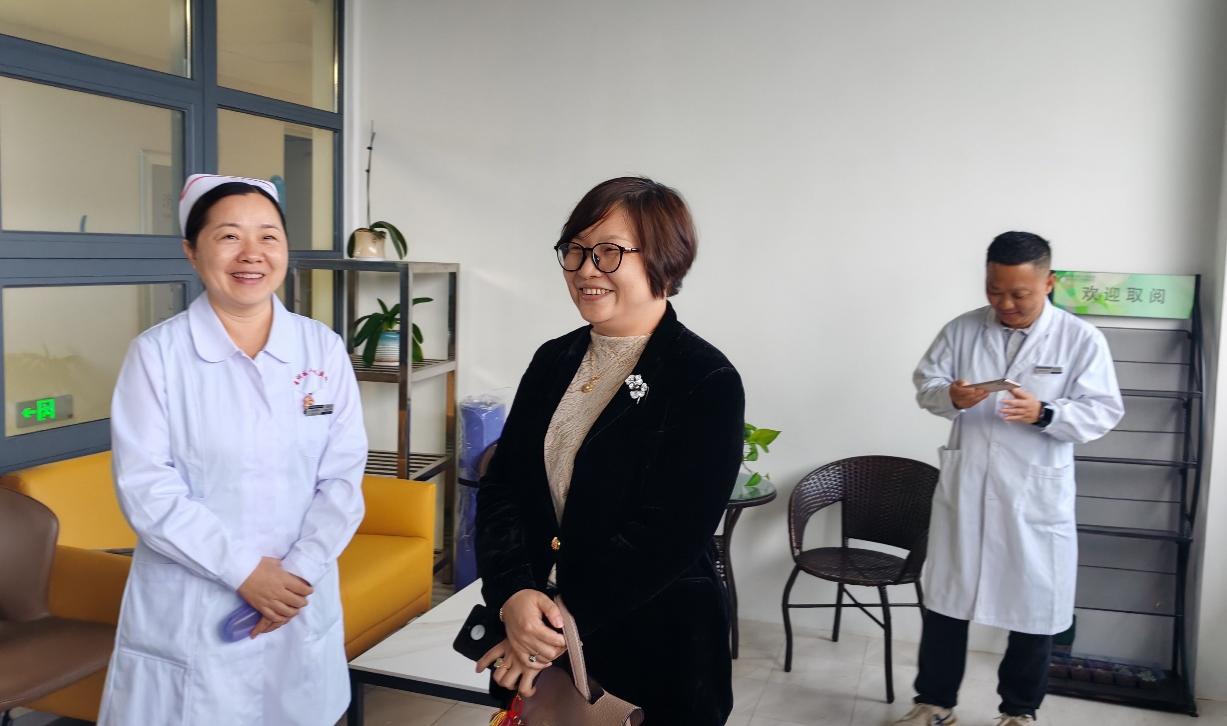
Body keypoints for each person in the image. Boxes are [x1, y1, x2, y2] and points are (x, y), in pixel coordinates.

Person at [473, 177, 744, 725]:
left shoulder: (704, 378)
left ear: (665, 258)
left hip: (653, 647)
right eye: (575, 250)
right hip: (537, 630)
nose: (585, 269)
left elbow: (669, 535)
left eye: (609, 252)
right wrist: (513, 594)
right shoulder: (553, 360)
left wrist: (549, 631)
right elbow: (504, 487)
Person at [98, 174, 367, 725]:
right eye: (228, 236)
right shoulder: (157, 355)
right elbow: (147, 489)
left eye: (268, 236)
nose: (251, 254)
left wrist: (299, 573)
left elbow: (342, 477)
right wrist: (245, 572)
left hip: (298, 597)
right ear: (191, 252)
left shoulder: (321, 348)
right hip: (193, 603)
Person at [898, 232, 1124, 725]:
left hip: (1033, 495)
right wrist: (951, 396)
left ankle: (1020, 711)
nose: (1005, 303)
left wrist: (1046, 412)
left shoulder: (1081, 339)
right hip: (968, 488)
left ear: (1048, 283)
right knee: (947, 600)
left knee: (1035, 607)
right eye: (994, 290)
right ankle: (934, 703)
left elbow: (1104, 411)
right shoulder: (961, 329)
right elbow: (926, 383)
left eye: (1019, 293)